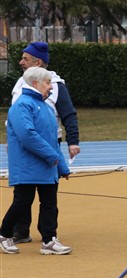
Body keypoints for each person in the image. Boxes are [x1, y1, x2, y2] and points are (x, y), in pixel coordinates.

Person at [9, 41, 80, 244]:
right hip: (23, 145)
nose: (21, 62)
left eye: (25, 58)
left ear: (38, 62)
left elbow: (69, 115)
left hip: (48, 144)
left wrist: (73, 141)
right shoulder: (21, 83)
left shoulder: (56, 85)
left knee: (48, 193)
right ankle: (20, 231)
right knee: (23, 193)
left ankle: (48, 234)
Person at [1, 66, 73, 255]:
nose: (51, 87)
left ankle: (49, 240)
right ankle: (4, 235)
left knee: (50, 203)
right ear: (35, 83)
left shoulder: (46, 107)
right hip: (27, 166)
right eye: (48, 83)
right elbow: (27, 135)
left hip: (47, 166)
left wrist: (62, 167)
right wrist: (52, 156)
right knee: (23, 202)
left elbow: (53, 139)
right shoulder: (22, 105)